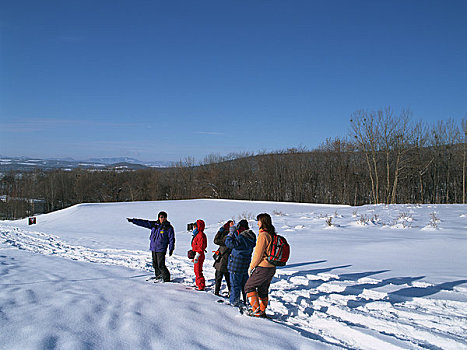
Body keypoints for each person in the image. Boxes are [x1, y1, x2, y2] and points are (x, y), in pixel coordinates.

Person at [127, 211, 175, 282]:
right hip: (153, 248)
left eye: (164, 217)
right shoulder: (154, 224)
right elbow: (144, 223)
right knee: (155, 264)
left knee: (161, 265)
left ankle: (166, 278)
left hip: (161, 249)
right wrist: (133, 221)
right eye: (161, 217)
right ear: (159, 218)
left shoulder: (168, 228)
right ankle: (159, 276)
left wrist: (171, 249)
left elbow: (171, 239)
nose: (163, 219)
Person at [244, 213, 277, 317]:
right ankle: (262, 310)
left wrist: (251, 267)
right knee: (263, 289)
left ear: (263, 222)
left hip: (263, 267)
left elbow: (258, 254)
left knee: (249, 286)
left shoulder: (263, 235)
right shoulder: (272, 234)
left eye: (259, 221)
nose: (257, 223)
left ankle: (256, 310)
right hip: (271, 267)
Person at [225, 219, 256, 306]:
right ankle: (247, 302)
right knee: (245, 285)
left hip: (236, 265)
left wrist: (231, 232)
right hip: (245, 265)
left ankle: (234, 303)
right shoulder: (250, 237)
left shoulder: (241, 238)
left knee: (235, 286)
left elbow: (229, 243)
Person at [213, 220, 233, 296]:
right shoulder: (231, 235)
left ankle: (217, 292)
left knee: (219, 277)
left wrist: (220, 232)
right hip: (227, 259)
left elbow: (216, 241)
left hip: (223, 259)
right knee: (227, 278)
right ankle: (230, 292)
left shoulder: (228, 236)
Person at [191, 219, 208, 291]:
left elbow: (200, 247)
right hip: (197, 254)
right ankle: (199, 283)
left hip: (199, 255)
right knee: (197, 270)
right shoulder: (198, 235)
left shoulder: (200, 235)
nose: (194, 228)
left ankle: (201, 285)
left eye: (195, 226)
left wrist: (197, 256)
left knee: (198, 271)